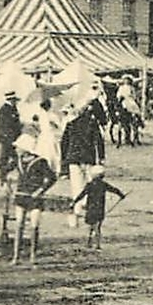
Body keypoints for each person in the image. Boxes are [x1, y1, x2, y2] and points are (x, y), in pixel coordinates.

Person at [60, 94, 107, 227]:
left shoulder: (71, 124)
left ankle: (77, 208)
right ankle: (86, 206)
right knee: (89, 183)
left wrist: (64, 158)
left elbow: (63, 143)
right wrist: (101, 157)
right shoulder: (93, 124)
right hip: (88, 157)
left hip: (73, 158)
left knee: (76, 185)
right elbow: (99, 141)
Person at [10, 135, 57, 265]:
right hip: (21, 196)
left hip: (35, 198)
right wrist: (9, 186)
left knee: (34, 226)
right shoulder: (17, 160)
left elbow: (52, 178)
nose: (16, 149)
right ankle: (16, 257)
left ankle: (33, 256)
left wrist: (40, 190)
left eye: (18, 147)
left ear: (26, 148)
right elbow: (5, 172)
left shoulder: (41, 162)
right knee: (19, 225)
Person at [71, 164, 125, 250]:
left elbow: (81, 195)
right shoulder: (103, 184)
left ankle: (90, 242)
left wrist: (74, 202)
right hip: (100, 208)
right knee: (98, 227)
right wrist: (121, 195)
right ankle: (97, 244)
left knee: (92, 226)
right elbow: (114, 189)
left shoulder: (90, 185)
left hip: (91, 208)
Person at [0, 89, 23, 186]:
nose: (16, 103)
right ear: (11, 100)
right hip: (8, 139)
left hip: (11, 139)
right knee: (10, 158)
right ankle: (0, 176)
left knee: (8, 158)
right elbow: (3, 126)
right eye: (15, 100)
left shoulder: (12, 109)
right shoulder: (5, 110)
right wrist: (10, 139)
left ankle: (1, 175)